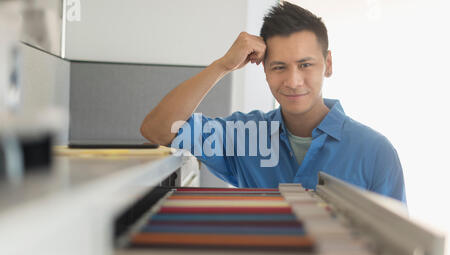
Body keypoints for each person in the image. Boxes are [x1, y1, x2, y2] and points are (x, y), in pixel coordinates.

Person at [140, 2, 406, 204]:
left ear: (328, 64)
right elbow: (158, 129)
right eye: (279, 67)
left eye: (305, 65)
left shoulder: (376, 152)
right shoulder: (244, 137)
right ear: (264, 70)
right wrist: (223, 65)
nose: (293, 80)